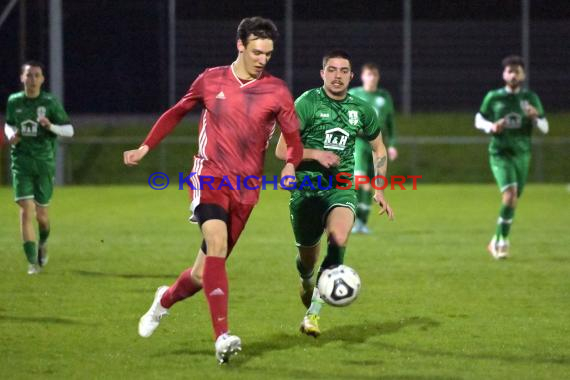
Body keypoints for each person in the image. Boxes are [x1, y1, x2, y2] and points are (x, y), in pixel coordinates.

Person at [123, 17, 305, 364]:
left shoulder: (278, 92)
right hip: (210, 176)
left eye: (268, 53)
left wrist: (290, 165)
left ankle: (164, 300)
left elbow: (294, 142)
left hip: (247, 188)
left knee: (200, 273)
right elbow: (177, 112)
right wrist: (146, 147)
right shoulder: (211, 79)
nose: (262, 59)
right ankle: (222, 336)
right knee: (217, 243)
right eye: (256, 51)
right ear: (240, 45)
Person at [275, 50, 394, 337]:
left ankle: (313, 316)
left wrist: (378, 187)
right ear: (322, 73)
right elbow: (282, 150)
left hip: (341, 188)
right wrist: (315, 155)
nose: (337, 75)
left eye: (343, 71)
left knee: (339, 238)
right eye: (332, 69)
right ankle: (306, 281)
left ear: (351, 76)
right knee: (308, 259)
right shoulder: (307, 103)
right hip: (306, 190)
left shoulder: (362, 109)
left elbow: (379, 148)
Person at [475, 55, 549, 259]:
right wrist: (491, 126)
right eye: (510, 71)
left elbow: (545, 127)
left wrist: (535, 117)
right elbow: (478, 119)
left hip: (522, 156)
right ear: (503, 74)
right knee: (509, 196)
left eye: (517, 71)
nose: (513, 74)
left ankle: (494, 240)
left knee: (513, 200)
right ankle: (502, 242)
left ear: (523, 74)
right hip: (500, 153)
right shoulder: (494, 97)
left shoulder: (530, 99)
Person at [4, 60, 74, 275]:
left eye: (36, 75)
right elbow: (8, 123)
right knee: (26, 209)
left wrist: (50, 126)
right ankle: (32, 262)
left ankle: (43, 243)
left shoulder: (50, 102)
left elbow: (70, 130)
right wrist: (11, 136)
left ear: (42, 79)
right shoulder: (14, 101)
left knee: (41, 216)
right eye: (29, 75)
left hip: (44, 164)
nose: (32, 79)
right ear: (21, 78)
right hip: (21, 163)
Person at [348, 63, 397, 234]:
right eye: (369, 75)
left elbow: (390, 123)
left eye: (374, 75)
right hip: (359, 142)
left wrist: (392, 145)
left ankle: (362, 222)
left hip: (377, 144)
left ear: (378, 77)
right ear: (362, 77)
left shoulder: (384, 97)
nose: (372, 78)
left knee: (371, 185)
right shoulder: (354, 94)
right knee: (360, 180)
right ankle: (351, 219)